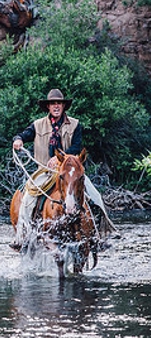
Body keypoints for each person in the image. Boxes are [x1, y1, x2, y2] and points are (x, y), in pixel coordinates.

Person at [11, 88, 114, 250]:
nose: (56, 106)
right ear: (48, 107)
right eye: (53, 104)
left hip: (70, 171)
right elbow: (23, 135)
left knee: (96, 198)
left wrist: (62, 157)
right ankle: (23, 236)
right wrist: (18, 140)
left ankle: (96, 236)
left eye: (59, 103)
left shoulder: (75, 124)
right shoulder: (38, 125)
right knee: (27, 199)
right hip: (45, 171)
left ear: (63, 106)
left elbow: (77, 146)